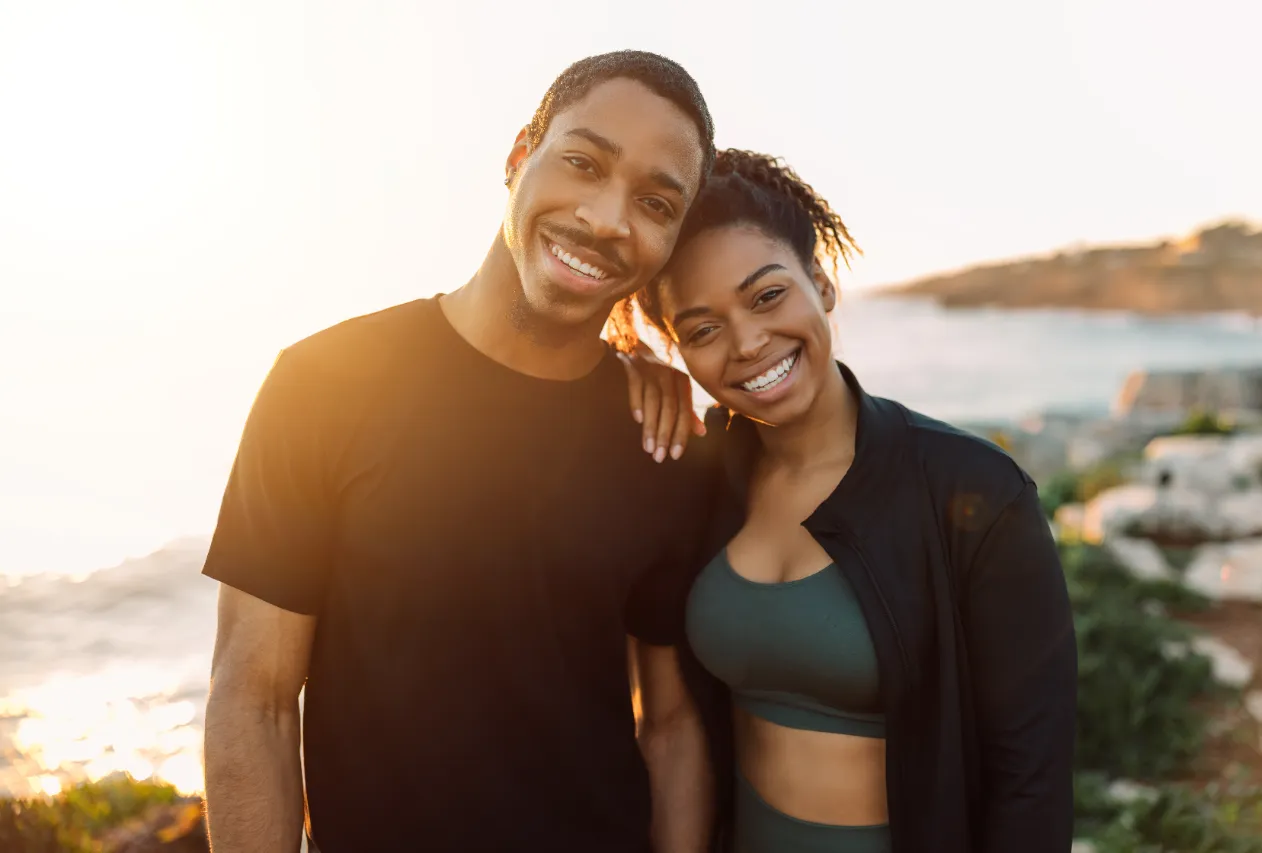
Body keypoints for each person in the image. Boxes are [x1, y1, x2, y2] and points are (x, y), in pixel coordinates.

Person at [202, 51, 720, 853]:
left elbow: (673, 724)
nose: (608, 218)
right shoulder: (322, 383)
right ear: (520, 155)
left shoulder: (663, 442)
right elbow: (255, 699)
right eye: (584, 162)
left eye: (655, 202)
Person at [625, 149, 1078, 853]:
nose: (747, 342)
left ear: (823, 284)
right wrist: (622, 370)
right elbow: (668, 722)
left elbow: (1032, 778)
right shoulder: (695, 479)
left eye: (767, 295)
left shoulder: (976, 490)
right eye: (703, 329)